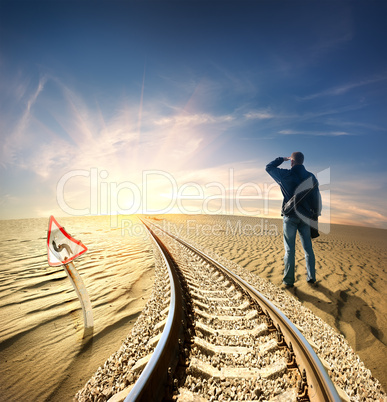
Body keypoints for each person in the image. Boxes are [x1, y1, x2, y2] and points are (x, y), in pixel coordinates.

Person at [266, 152, 321, 287]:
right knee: (308, 249)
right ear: (302, 161)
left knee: (290, 250)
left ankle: (288, 281)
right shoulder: (311, 176)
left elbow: (268, 167)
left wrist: (282, 159)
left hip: (290, 217)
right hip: (306, 218)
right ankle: (311, 277)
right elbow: (316, 199)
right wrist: (315, 216)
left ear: (291, 161)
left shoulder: (285, 175)